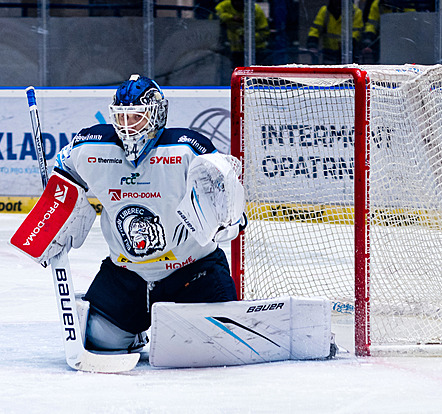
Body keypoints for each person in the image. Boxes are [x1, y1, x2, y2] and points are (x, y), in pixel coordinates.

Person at [27, 75, 246, 353]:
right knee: (100, 339)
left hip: (192, 271)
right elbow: (64, 171)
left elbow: (225, 193)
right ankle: (132, 330)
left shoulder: (188, 148)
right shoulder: (90, 146)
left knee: (215, 343)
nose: (128, 127)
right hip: (127, 273)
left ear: (156, 116)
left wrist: (227, 218)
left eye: (137, 117)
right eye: (122, 118)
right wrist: (54, 214)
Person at [215, 0, 270, 69]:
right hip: (231, 51)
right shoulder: (224, 6)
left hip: (255, 51)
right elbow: (214, 16)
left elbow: (264, 33)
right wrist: (231, 17)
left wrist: (249, 39)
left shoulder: (255, 10)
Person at [306, 0, 364, 64]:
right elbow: (315, 29)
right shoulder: (325, 11)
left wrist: (346, 44)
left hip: (348, 54)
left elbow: (356, 33)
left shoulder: (355, 12)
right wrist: (312, 43)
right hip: (328, 53)